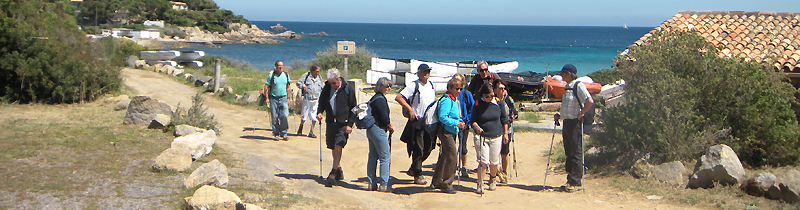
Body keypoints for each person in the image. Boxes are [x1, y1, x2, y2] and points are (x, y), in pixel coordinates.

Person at [553, 64, 593, 192]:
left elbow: (589, 101)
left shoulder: (578, 85)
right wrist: (560, 115)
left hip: (575, 123)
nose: (561, 75)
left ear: (569, 73)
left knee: (576, 151)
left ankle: (576, 181)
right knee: (568, 151)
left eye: (563, 73)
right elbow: (568, 105)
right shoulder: (567, 87)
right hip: (567, 122)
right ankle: (570, 179)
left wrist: (581, 114)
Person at [396, 64, 437, 185]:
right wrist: (410, 110)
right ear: (418, 73)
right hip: (418, 121)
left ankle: (414, 168)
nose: (426, 73)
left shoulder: (431, 85)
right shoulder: (414, 85)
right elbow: (399, 97)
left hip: (429, 122)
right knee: (418, 148)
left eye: (428, 71)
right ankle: (418, 174)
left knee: (429, 147)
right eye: (424, 71)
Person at [316, 68, 357, 186]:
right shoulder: (327, 88)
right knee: (333, 146)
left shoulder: (347, 89)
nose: (332, 85)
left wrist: (350, 124)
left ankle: (333, 172)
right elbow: (322, 101)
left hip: (343, 123)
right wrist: (319, 112)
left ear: (339, 79)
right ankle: (338, 169)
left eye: (334, 83)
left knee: (338, 144)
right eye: (330, 83)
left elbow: (354, 108)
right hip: (330, 122)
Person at [470, 83, 509, 194]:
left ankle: (492, 179)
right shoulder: (478, 104)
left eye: (492, 95)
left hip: (496, 136)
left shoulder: (498, 103)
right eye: (487, 96)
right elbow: (472, 120)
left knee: (494, 161)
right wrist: (476, 126)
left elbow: (504, 120)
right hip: (482, 136)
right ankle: (480, 183)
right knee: (483, 161)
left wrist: (505, 133)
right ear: (483, 95)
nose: (490, 98)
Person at [430, 78, 466, 194]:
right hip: (446, 131)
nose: (459, 91)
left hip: (451, 131)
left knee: (445, 156)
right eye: (457, 88)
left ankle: (436, 182)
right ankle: (446, 183)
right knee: (452, 157)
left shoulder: (453, 99)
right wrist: (457, 123)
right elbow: (442, 117)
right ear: (450, 88)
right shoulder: (447, 100)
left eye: (461, 88)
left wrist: (458, 121)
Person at [366, 77, 395, 192]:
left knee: (373, 156)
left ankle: (371, 183)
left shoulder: (374, 98)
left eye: (390, 86)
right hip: (379, 129)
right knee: (385, 157)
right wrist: (389, 125)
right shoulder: (381, 100)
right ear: (381, 86)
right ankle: (384, 184)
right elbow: (384, 117)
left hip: (371, 129)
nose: (389, 88)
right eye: (387, 86)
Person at [492, 79, 518, 184]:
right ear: (495, 90)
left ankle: (504, 172)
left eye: (504, 88)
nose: (503, 90)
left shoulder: (508, 99)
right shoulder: (492, 100)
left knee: (505, 152)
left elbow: (515, 111)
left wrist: (514, 115)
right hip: (495, 129)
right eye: (500, 88)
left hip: (507, 129)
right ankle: (496, 171)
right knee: (494, 151)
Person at [261, 60, 292, 140]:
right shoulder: (271, 76)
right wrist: (267, 98)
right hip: (273, 98)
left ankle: (284, 132)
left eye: (282, 66)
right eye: (279, 66)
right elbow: (266, 87)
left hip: (283, 98)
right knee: (274, 116)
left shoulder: (286, 75)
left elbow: (288, 87)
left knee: (284, 115)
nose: (281, 67)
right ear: (276, 67)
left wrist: (288, 98)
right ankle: (276, 133)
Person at [452, 73, 474, 178]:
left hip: (464, 123)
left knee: (463, 146)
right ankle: (450, 167)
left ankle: (464, 167)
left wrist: (467, 121)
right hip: (452, 124)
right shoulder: (450, 94)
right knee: (449, 146)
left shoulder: (466, 94)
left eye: (459, 80)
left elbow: (472, 108)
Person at [296, 65, 324, 138]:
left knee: (314, 116)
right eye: (317, 71)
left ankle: (311, 131)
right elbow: (298, 83)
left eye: (318, 71)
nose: (318, 73)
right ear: (312, 71)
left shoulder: (319, 78)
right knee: (304, 115)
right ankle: (301, 127)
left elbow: (322, 87)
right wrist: (303, 86)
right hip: (307, 99)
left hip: (316, 100)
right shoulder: (306, 76)